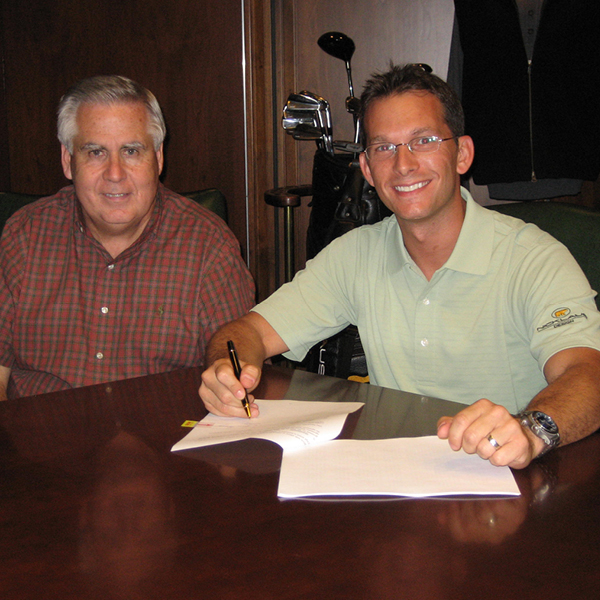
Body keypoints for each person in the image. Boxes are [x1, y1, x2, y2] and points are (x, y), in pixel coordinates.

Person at [199, 64, 600, 469]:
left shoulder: (534, 259)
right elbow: (245, 332)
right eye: (384, 148)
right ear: (369, 170)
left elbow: (588, 373)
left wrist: (531, 430)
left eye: (422, 141)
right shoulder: (355, 255)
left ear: (462, 154)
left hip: (513, 480)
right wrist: (227, 371)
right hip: (401, 479)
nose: (403, 164)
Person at [0, 75, 255, 400]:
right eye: (95, 152)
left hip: (161, 444)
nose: (115, 173)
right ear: (68, 161)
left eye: (131, 151)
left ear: (159, 158)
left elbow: (234, 367)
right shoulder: (24, 236)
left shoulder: (208, 246)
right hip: (40, 441)